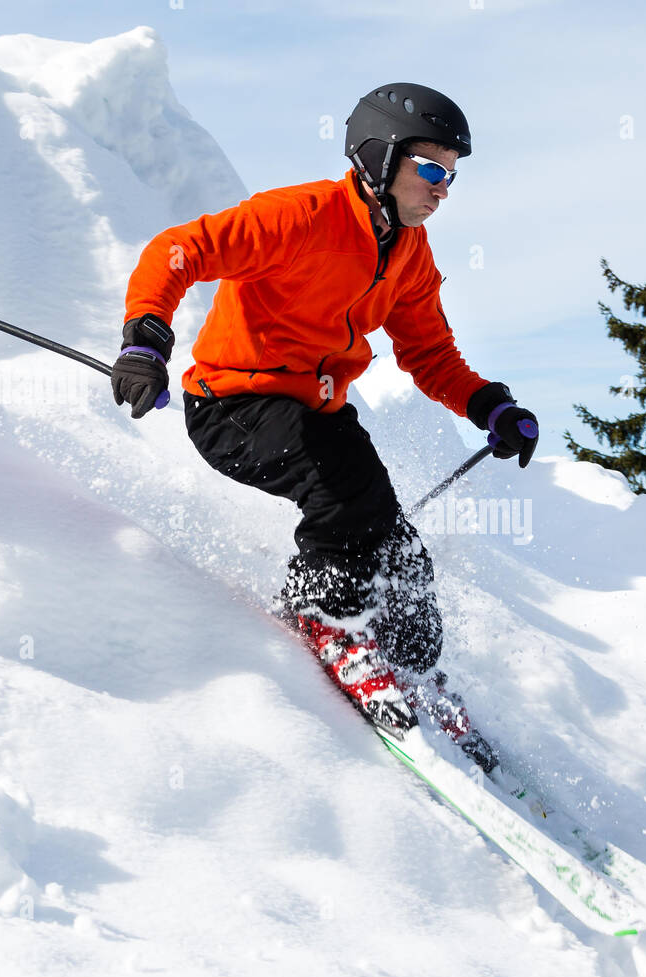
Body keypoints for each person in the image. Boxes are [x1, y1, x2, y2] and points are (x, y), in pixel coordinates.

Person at [110, 83, 539, 737]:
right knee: (349, 492)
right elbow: (178, 250)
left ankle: (407, 670)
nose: (443, 187)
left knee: (401, 556)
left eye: (451, 174)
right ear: (377, 156)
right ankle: (327, 621)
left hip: (316, 409)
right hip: (233, 400)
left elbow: (430, 354)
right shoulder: (301, 217)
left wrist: (490, 407)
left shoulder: (409, 255)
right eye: (430, 168)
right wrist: (145, 339)